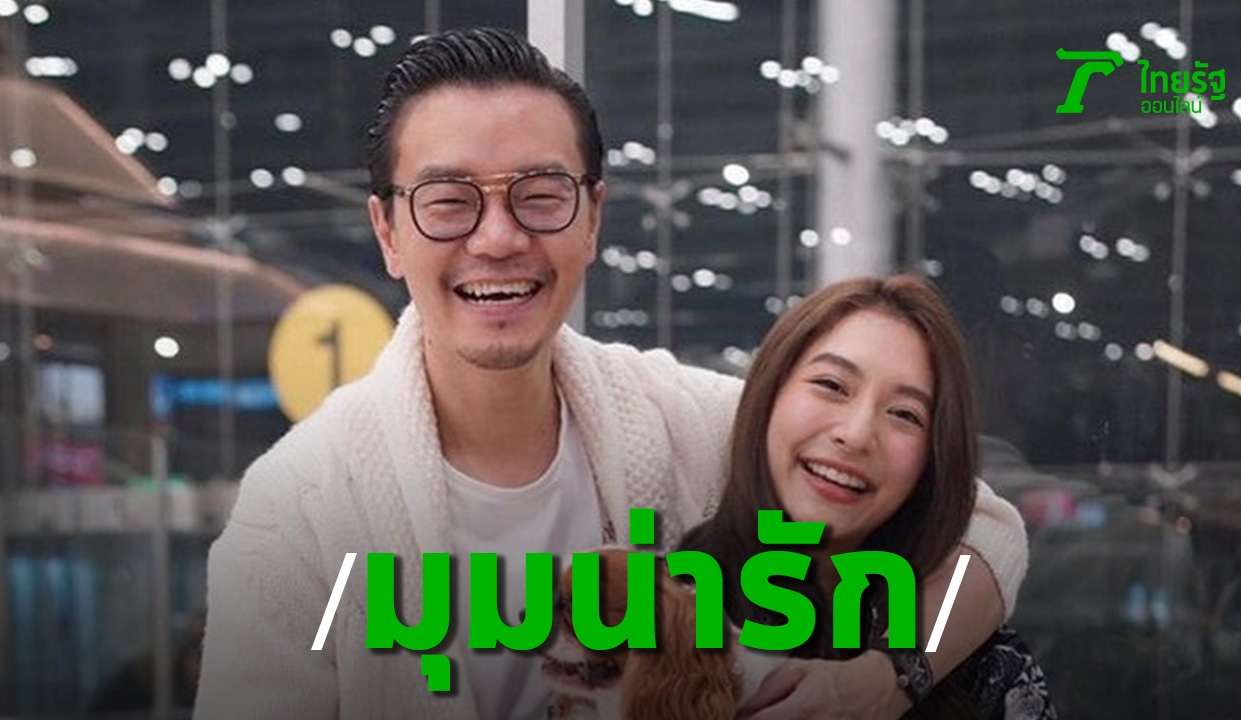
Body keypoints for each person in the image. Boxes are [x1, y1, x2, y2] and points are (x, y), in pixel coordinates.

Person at [193, 27, 1028, 720]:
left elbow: (988, 528)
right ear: (388, 232)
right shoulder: (299, 511)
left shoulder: (675, 420)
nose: (498, 238)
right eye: (449, 201)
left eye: (540, 195)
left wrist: (887, 675)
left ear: (592, 216)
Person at [681, 274, 1055, 719]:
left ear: (932, 458)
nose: (857, 435)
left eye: (905, 414)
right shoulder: (654, 613)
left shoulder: (978, 661)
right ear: (769, 393)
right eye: (832, 385)